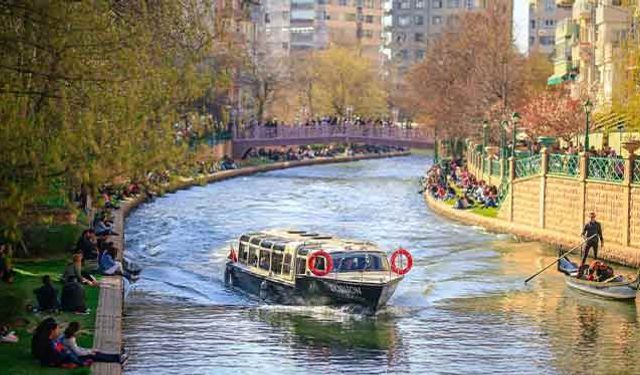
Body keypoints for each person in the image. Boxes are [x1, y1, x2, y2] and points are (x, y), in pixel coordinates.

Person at [60, 322, 127, 364]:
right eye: (78, 331)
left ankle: (117, 356)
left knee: (97, 353)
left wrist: (89, 350)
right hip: (78, 357)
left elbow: (76, 348)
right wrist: (89, 352)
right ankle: (118, 359)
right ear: (75, 331)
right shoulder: (70, 340)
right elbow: (78, 353)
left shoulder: (66, 336)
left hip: (75, 354)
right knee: (95, 356)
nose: (79, 332)